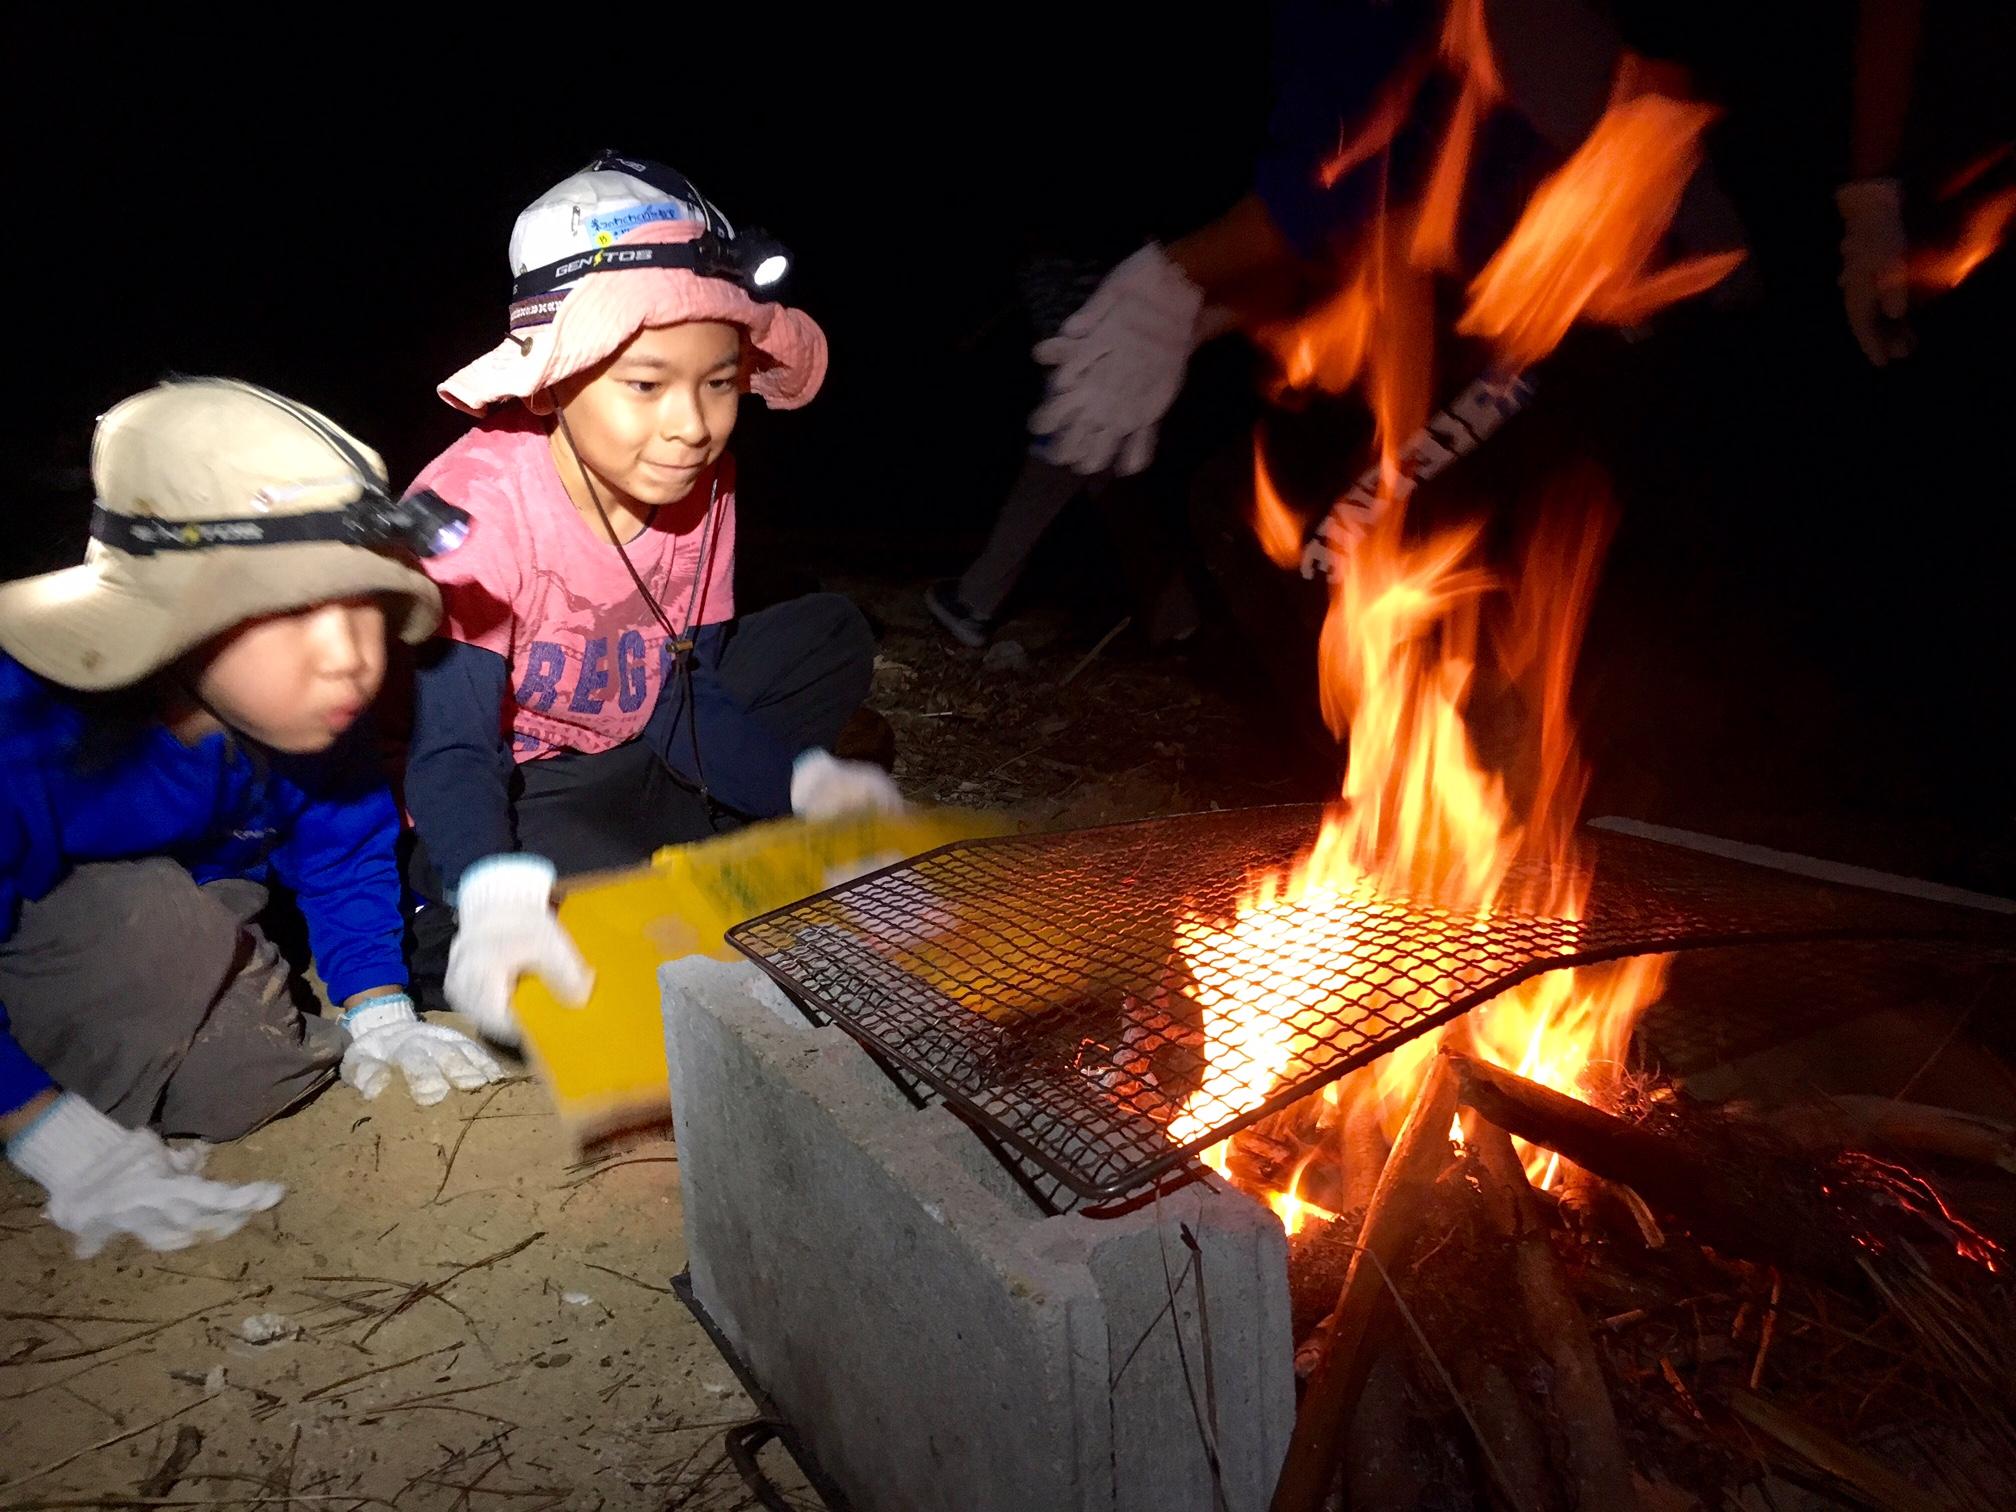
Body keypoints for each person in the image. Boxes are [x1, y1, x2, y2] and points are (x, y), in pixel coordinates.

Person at [403, 154, 901, 1046]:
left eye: (719, 382)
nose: (692, 424)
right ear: (554, 382)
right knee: (592, 970)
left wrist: (804, 788)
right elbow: (449, 749)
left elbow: (681, 691)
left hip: (635, 735)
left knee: (828, 633)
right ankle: (474, 909)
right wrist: (492, 889)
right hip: (518, 777)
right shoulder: (477, 508)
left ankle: (702, 830)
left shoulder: (705, 485)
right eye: (646, 384)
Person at [0, 378, 504, 1258]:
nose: (350, 659)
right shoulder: (26, 731)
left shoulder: (309, 715)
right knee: (158, 933)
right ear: (169, 615)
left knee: (253, 1079)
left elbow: (344, 844)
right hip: (48, 921)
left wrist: (378, 1008)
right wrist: (44, 1127)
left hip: (205, 894)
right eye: (292, 612)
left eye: (367, 607)